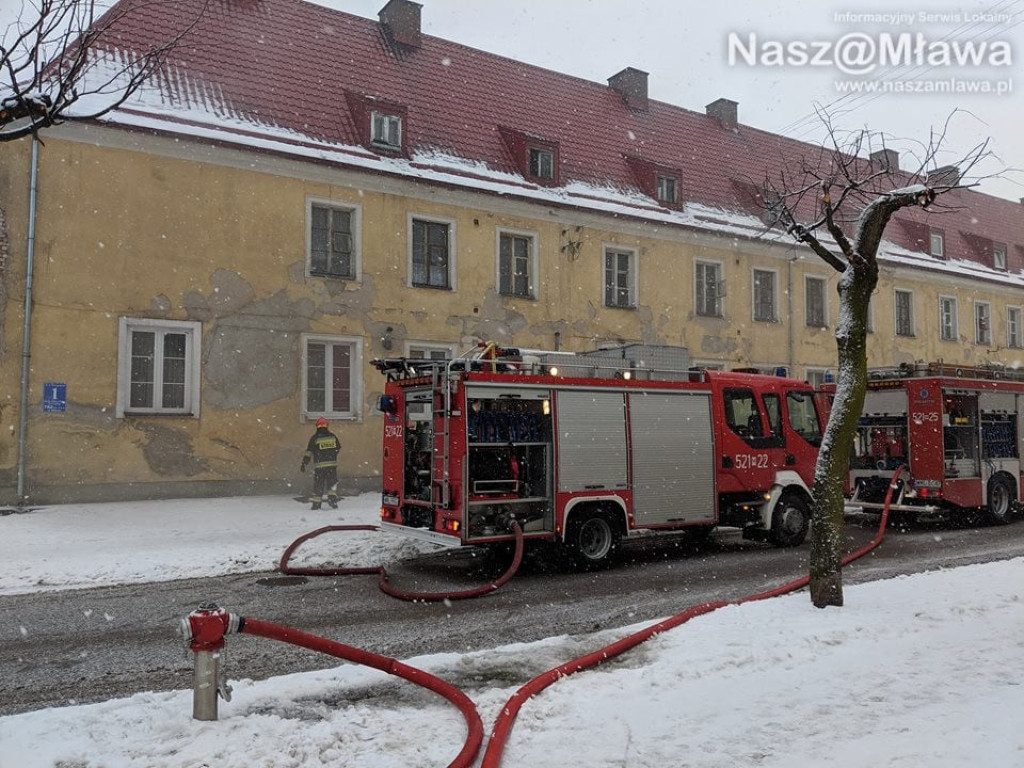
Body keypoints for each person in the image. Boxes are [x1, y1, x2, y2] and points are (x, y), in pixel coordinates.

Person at [300, 417, 340, 510]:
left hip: (320, 467)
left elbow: (309, 452)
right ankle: (333, 501)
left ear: (317, 426)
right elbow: (338, 448)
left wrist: (304, 463)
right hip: (331, 466)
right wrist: (332, 455)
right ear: (327, 426)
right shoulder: (332, 436)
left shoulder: (315, 438)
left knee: (318, 485)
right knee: (332, 484)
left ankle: (316, 504)